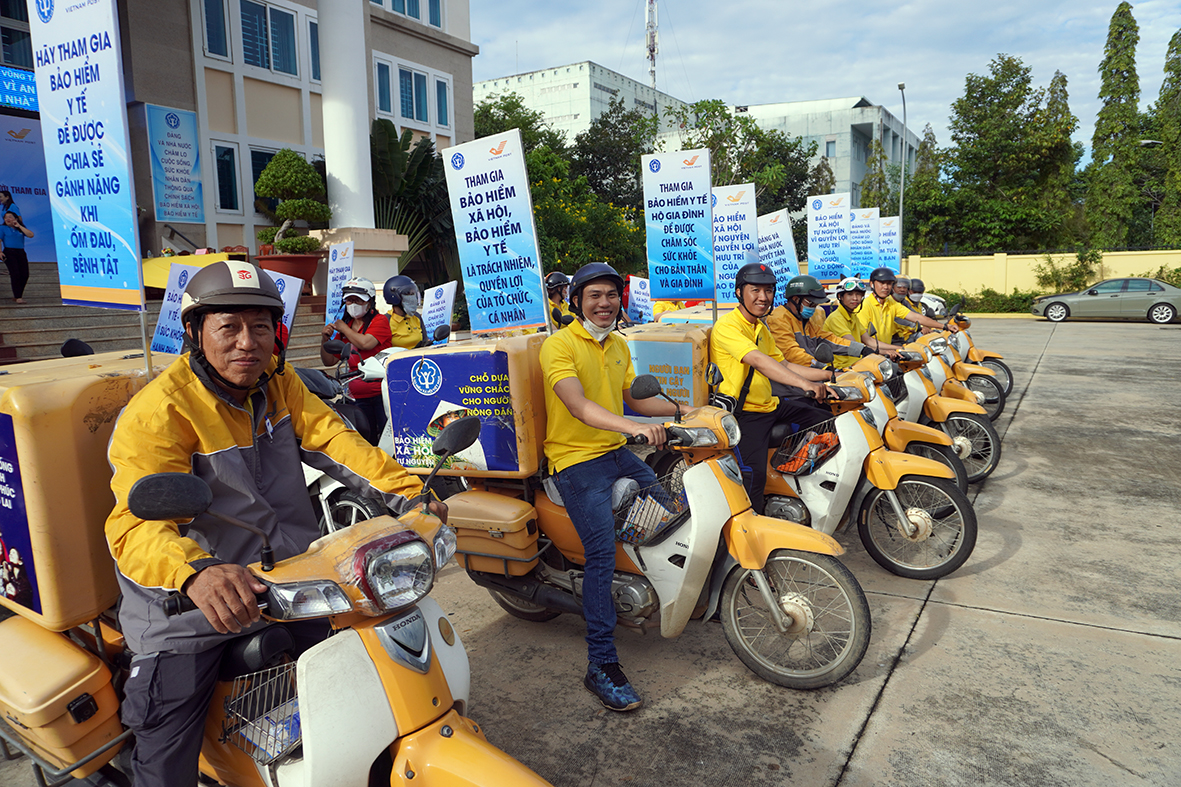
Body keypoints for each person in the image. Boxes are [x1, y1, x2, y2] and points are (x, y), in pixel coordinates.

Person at [104, 261, 442, 787]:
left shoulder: (280, 385)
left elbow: (336, 441)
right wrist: (197, 574)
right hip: (193, 611)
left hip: (289, 585)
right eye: (229, 327)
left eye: (260, 327)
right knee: (165, 753)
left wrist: (409, 496)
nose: (247, 342)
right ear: (195, 333)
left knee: (362, 686)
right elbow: (134, 528)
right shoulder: (161, 413)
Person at [540, 262, 681, 712]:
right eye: (594, 295)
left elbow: (634, 397)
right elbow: (578, 406)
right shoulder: (557, 346)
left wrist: (687, 408)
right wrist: (635, 428)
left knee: (669, 508)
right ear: (577, 300)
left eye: (611, 295)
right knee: (600, 555)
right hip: (576, 462)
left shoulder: (618, 343)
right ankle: (600, 664)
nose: (604, 303)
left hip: (615, 450)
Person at [710, 262, 832, 515]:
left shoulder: (760, 327)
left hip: (771, 405)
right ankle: (751, 529)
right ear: (739, 292)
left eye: (768, 291)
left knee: (829, 419)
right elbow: (759, 361)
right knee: (753, 480)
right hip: (745, 414)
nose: (763, 298)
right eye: (755, 290)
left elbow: (784, 363)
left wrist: (832, 376)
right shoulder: (728, 326)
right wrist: (805, 384)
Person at [320, 276, 392, 445]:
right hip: (357, 395)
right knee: (365, 441)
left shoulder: (379, 321)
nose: (353, 304)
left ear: (369, 302)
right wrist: (325, 339)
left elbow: (366, 343)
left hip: (381, 392)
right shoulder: (347, 326)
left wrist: (343, 328)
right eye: (349, 300)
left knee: (387, 440)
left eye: (358, 300)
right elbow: (329, 360)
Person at [766, 274, 874, 369]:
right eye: (811, 304)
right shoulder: (778, 318)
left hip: (811, 374)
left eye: (816, 305)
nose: (813, 308)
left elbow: (829, 340)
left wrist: (862, 349)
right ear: (795, 299)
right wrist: (822, 367)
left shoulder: (806, 320)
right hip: (790, 382)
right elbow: (792, 353)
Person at [861, 267, 956, 354]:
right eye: (882, 283)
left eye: (889, 283)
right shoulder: (865, 306)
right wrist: (900, 347)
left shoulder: (890, 303)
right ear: (872, 284)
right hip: (872, 353)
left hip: (888, 352)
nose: (885, 287)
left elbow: (916, 317)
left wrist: (944, 326)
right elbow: (867, 341)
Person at [822, 277, 883, 368]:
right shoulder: (836, 318)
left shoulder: (853, 316)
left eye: (858, 294)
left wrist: (898, 349)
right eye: (850, 294)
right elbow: (854, 345)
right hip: (841, 368)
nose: (855, 298)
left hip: (858, 364)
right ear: (840, 297)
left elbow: (869, 341)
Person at [383, 274, 426, 349]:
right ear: (394, 296)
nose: (412, 297)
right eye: (408, 293)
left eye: (413, 293)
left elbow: (425, 342)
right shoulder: (386, 320)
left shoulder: (416, 317)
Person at [0, 211, 34, 303]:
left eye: (10, 217)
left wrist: (19, 226)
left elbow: (31, 235)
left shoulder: (20, 229)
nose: (7, 219)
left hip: (20, 252)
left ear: (15, 219)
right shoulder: (3, 228)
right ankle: (18, 297)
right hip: (9, 252)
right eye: (5, 217)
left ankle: (18, 295)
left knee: (25, 274)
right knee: (15, 273)